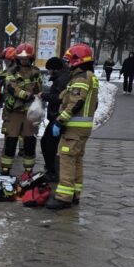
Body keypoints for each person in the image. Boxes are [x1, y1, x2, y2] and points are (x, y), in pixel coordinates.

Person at [46, 43, 99, 211]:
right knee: (76, 160)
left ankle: (64, 197)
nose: (67, 64)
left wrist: (60, 121)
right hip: (82, 128)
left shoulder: (81, 78)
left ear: (78, 60)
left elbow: (75, 103)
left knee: (67, 160)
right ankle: (74, 193)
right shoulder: (89, 77)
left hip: (74, 128)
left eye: (69, 61)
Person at [0, 43, 43, 177]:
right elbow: (11, 88)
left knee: (29, 142)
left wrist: (38, 99)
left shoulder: (36, 72)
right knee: (10, 141)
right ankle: (5, 169)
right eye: (21, 58)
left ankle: (28, 170)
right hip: (14, 112)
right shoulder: (11, 71)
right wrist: (28, 95)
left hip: (30, 113)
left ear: (31, 58)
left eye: (26, 58)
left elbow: (39, 89)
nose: (24, 61)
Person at [39, 56, 72, 182]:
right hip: (57, 116)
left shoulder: (62, 79)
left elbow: (59, 98)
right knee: (48, 143)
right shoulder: (63, 77)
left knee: (49, 144)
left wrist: (44, 95)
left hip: (58, 117)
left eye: (49, 69)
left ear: (55, 69)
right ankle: (51, 169)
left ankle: (52, 171)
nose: (48, 72)